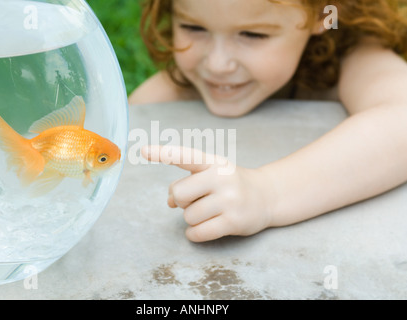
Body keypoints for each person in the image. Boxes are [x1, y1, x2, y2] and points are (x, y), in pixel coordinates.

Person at [129, 0, 407, 242]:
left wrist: (267, 192)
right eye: (194, 28)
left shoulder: (354, 56)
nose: (217, 64)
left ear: (323, 12)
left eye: (252, 34)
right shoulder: (161, 96)